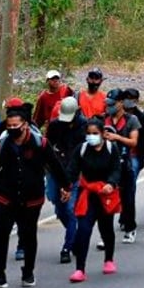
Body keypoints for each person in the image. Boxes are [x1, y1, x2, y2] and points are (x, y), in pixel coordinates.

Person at [0, 102, 69, 288]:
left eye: (16, 126)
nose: (13, 129)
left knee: (28, 235)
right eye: (10, 126)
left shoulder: (40, 143)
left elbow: (54, 165)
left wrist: (66, 186)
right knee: (1, 235)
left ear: (24, 125)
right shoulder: (3, 145)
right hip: (6, 196)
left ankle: (28, 273)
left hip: (32, 198)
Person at [64, 117, 121, 283]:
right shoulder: (81, 150)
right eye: (88, 134)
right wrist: (66, 187)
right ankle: (80, 269)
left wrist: (111, 183)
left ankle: (109, 259)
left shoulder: (111, 149)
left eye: (95, 133)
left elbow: (116, 169)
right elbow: (72, 170)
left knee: (106, 228)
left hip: (105, 194)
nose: (91, 137)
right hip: (87, 195)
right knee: (83, 230)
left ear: (103, 134)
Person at [45, 97, 87, 264]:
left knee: (70, 210)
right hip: (55, 171)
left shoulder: (84, 126)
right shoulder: (55, 125)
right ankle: (75, 236)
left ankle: (67, 247)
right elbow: (48, 147)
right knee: (59, 207)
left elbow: (83, 153)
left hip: (74, 173)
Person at [102, 89, 140, 245]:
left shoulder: (132, 120)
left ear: (120, 103)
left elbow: (133, 142)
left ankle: (130, 228)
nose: (109, 107)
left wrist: (117, 137)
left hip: (125, 164)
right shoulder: (104, 119)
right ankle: (105, 234)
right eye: (107, 104)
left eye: (112, 104)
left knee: (127, 199)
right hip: (107, 165)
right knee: (106, 200)